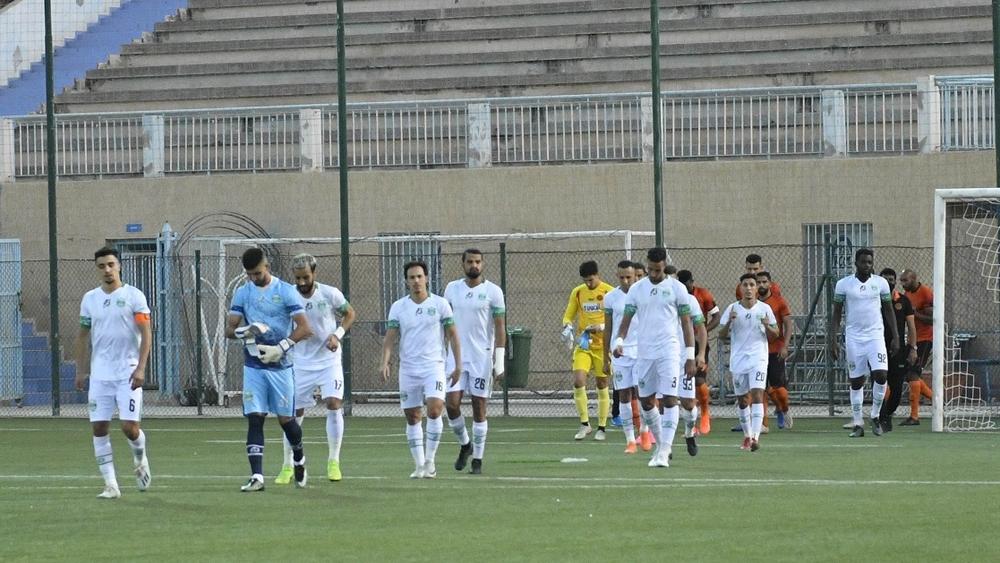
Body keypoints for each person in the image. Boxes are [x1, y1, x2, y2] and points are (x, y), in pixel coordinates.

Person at [226, 248, 313, 492]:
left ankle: (299, 458)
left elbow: (305, 328)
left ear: (268, 267)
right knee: (255, 418)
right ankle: (257, 477)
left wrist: (282, 347)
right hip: (253, 366)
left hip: (281, 367)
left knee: (287, 421)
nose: (254, 278)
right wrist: (244, 332)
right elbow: (229, 329)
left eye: (258, 273)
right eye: (250, 274)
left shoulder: (285, 291)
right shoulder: (242, 293)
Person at [74, 247, 153, 499]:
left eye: (110, 264)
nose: (107, 270)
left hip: (127, 373)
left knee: (129, 428)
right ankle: (111, 485)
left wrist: (141, 367)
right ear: (97, 269)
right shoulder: (90, 299)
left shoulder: (134, 296)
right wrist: (81, 370)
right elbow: (83, 335)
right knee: (99, 428)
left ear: (119, 265)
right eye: (101, 266)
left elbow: (146, 333)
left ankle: (140, 458)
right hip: (100, 376)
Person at [273, 254, 356, 484]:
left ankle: (333, 461)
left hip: (328, 361)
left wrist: (337, 335)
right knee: (292, 414)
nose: (301, 283)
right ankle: (288, 465)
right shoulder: (288, 295)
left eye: (305, 277)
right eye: (297, 278)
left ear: (314, 273)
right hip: (299, 362)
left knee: (333, 403)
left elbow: (350, 314)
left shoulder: (330, 293)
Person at [613, 248, 696, 468]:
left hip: (669, 350)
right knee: (647, 401)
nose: (653, 273)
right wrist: (619, 341)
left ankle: (665, 449)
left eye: (657, 270)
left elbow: (687, 323)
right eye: (650, 269)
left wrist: (689, 355)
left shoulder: (677, 288)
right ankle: (661, 446)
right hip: (644, 352)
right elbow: (626, 320)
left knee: (670, 398)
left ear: (664, 267)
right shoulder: (637, 290)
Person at [382, 260, 461, 479]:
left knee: (435, 409)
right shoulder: (398, 307)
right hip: (408, 368)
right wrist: (385, 361)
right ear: (406, 281)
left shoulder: (440, 304)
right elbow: (390, 339)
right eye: (411, 278)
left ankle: (430, 461)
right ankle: (418, 465)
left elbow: (453, 335)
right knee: (413, 416)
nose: (416, 281)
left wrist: (458, 364)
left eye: (419, 276)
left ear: (426, 278)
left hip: (434, 366)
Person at [444, 249, 506, 475]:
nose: (474, 265)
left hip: (481, 356)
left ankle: (477, 459)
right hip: (456, 356)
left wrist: (499, 360)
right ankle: (465, 444)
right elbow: (445, 323)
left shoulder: (493, 292)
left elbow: (500, 326)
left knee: (479, 407)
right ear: (462, 264)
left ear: (483, 264)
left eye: (478, 262)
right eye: (470, 262)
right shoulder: (452, 289)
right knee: (451, 404)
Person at [831, 248, 899, 438]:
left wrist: (895, 337)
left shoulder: (881, 283)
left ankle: (875, 416)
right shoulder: (844, 285)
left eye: (870, 262)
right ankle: (858, 422)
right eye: (863, 262)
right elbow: (836, 313)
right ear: (856, 263)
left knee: (881, 375)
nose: (867, 265)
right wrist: (833, 339)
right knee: (856, 381)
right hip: (854, 337)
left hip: (875, 337)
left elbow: (888, 311)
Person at [719, 274, 779, 451]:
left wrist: (768, 326)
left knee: (758, 394)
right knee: (743, 400)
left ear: (756, 289)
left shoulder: (765, 308)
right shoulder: (732, 309)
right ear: (741, 288)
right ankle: (747, 435)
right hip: (738, 359)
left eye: (752, 284)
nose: (748, 288)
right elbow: (721, 336)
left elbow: (775, 334)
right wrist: (729, 322)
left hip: (758, 358)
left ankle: (755, 437)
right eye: (745, 285)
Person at [561, 260, 614, 440]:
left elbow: (617, 317)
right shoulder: (578, 293)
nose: (588, 284)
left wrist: (601, 326)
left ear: (598, 275)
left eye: (591, 280)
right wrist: (567, 326)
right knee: (578, 380)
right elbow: (569, 314)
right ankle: (584, 424)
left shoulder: (609, 292)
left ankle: (601, 427)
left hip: (603, 346)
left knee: (602, 384)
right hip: (584, 345)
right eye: (585, 281)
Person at [603, 260, 641, 453]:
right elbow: (608, 327)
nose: (626, 280)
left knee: (643, 393)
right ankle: (630, 440)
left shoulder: (643, 295)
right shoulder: (610, 297)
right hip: (619, 352)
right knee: (624, 394)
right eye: (622, 277)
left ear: (636, 276)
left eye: (629, 277)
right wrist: (605, 356)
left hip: (641, 351)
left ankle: (645, 431)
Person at [670, 268, 708, 456]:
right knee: (664, 402)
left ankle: (688, 433)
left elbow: (700, 327)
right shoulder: (655, 299)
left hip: (685, 359)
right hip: (664, 358)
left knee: (688, 404)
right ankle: (664, 445)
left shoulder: (688, 300)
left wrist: (700, 354)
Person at [677, 269, 719, 435]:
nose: (685, 286)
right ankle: (690, 423)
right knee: (685, 384)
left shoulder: (702, 295)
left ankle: (705, 413)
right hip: (678, 345)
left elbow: (716, 316)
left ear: (692, 282)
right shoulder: (674, 297)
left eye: (688, 283)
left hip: (698, 342)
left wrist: (704, 331)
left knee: (699, 381)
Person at [877, 268, 919, 432]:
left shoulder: (904, 301)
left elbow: (911, 327)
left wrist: (913, 348)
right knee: (878, 383)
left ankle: (887, 414)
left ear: (895, 282)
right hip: (877, 348)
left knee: (897, 388)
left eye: (891, 279)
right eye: (885, 278)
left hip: (898, 350)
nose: (888, 281)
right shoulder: (873, 300)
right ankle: (878, 417)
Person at [756, 271, 795, 430]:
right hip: (758, 351)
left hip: (775, 350)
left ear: (770, 283)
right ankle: (762, 423)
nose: (761, 285)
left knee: (779, 388)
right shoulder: (752, 303)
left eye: (764, 282)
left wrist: (785, 346)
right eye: (758, 282)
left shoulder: (779, 301)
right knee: (760, 388)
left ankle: (784, 409)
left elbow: (788, 324)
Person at [899, 269, 934, 425]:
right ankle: (937, 399)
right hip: (913, 340)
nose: (903, 284)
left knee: (913, 374)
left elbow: (932, 319)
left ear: (914, 278)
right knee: (909, 375)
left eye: (906, 280)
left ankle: (914, 417)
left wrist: (914, 313)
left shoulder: (925, 293)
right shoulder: (906, 295)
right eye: (902, 281)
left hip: (925, 339)